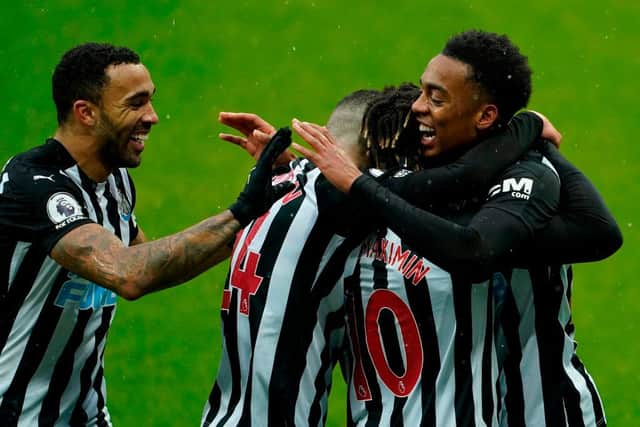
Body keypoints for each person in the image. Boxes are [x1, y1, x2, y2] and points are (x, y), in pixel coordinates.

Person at [293, 30, 621, 426]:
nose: (418, 108)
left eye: (436, 97)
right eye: (422, 91)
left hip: (547, 412)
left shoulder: (528, 174)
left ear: (485, 115)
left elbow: (479, 249)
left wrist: (533, 136)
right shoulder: (426, 176)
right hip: (474, 409)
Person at [0, 42, 291, 426]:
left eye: (150, 101)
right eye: (135, 104)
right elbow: (131, 273)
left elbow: (154, 259)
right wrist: (241, 212)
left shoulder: (114, 180)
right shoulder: (31, 185)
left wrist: (277, 191)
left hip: (84, 415)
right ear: (86, 113)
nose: (152, 117)